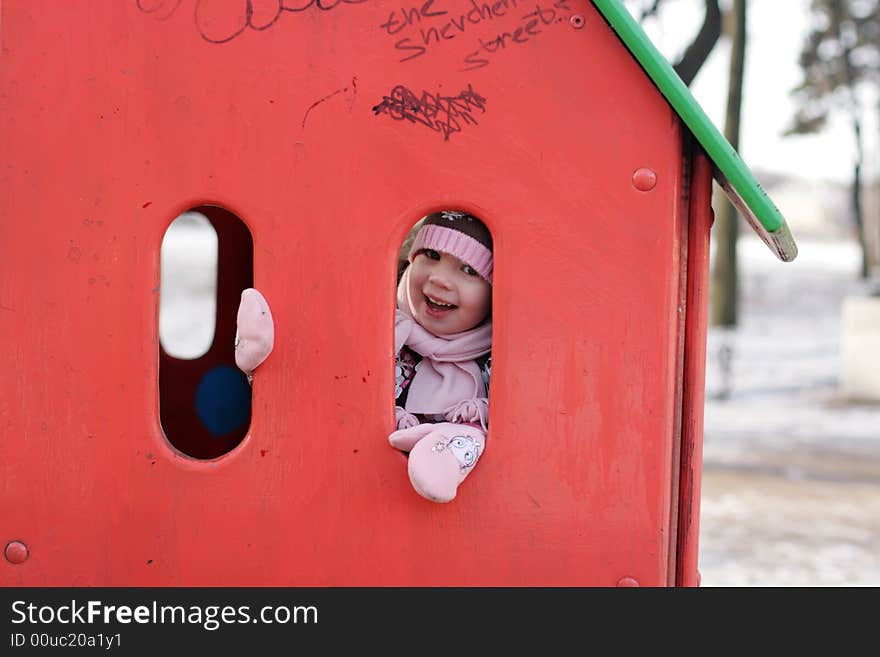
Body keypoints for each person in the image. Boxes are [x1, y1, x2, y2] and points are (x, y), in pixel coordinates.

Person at [232, 210, 493, 504]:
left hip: (424, 509)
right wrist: (282, 365)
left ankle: (440, 460)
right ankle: (262, 353)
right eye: (431, 254)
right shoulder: (381, 325)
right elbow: (325, 382)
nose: (440, 279)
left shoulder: (496, 360)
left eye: (469, 270)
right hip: (346, 481)